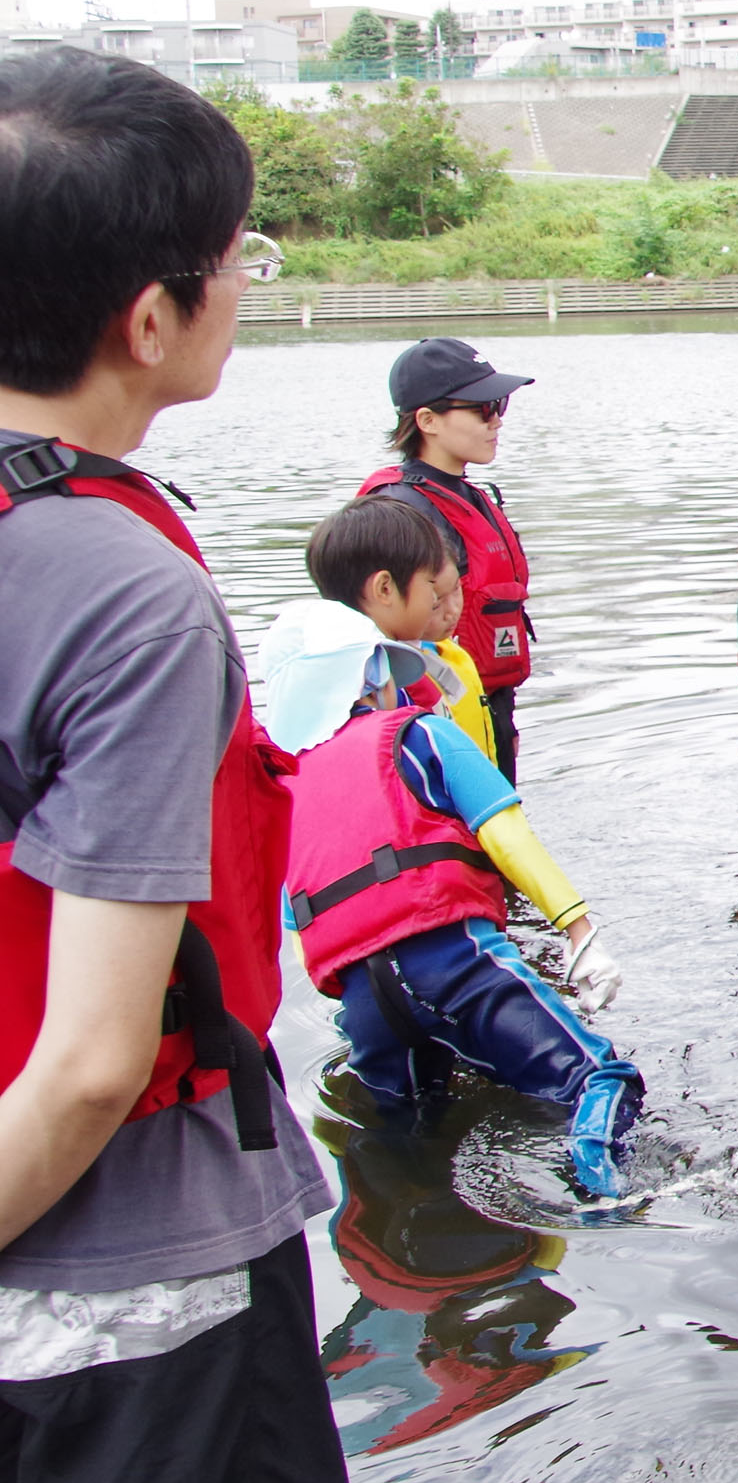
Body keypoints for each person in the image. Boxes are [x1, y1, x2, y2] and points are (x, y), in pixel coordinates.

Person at [0, 46, 348, 1483]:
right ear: (151, 319)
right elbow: (88, 1064)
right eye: (234, 263)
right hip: (113, 1284)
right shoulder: (120, 593)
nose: (244, 288)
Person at [263, 598, 640, 1198]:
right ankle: (603, 1194)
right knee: (600, 1079)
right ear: (373, 677)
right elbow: (506, 834)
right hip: (457, 964)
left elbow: (288, 917)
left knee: (402, 1129)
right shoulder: (422, 736)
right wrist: (580, 933)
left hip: (365, 1003)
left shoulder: (281, 787)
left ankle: (413, 1239)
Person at [360, 334, 538, 781]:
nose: (495, 421)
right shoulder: (400, 511)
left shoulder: (472, 497)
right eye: (481, 409)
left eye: (500, 405)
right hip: (437, 724)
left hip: (488, 705)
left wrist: (501, 724)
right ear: (427, 420)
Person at [308, 494, 498, 764]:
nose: (436, 600)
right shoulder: (375, 691)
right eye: (430, 586)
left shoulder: (322, 673)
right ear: (385, 589)